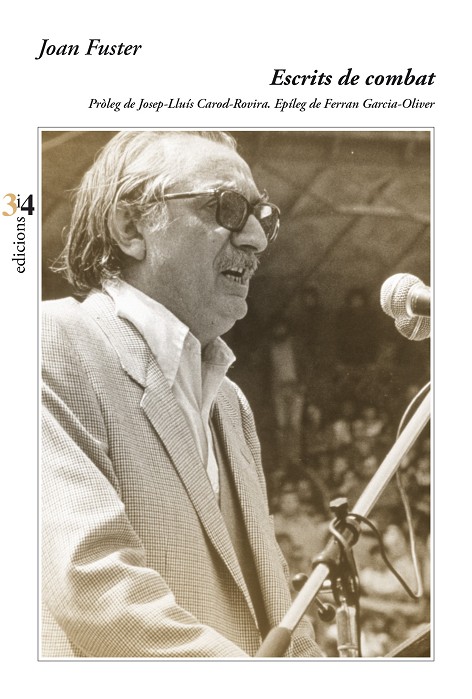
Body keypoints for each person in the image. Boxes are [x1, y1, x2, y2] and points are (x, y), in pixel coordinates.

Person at [41, 131, 323, 658]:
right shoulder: (51, 342)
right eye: (227, 207)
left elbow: (278, 609)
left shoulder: (231, 404)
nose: (257, 239)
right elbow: (94, 589)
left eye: (262, 216)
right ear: (131, 227)